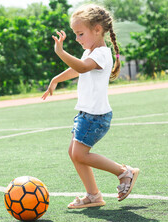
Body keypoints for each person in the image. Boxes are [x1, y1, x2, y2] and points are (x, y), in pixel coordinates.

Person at [41, 4, 139, 209]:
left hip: (96, 117)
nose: (77, 39)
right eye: (75, 34)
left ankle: (124, 172)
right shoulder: (89, 52)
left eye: (80, 33)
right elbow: (77, 69)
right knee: (74, 153)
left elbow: (82, 67)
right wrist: (56, 79)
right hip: (86, 115)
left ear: (97, 29)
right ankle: (93, 195)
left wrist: (60, 51)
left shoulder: (101, 53)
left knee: (79, 154)